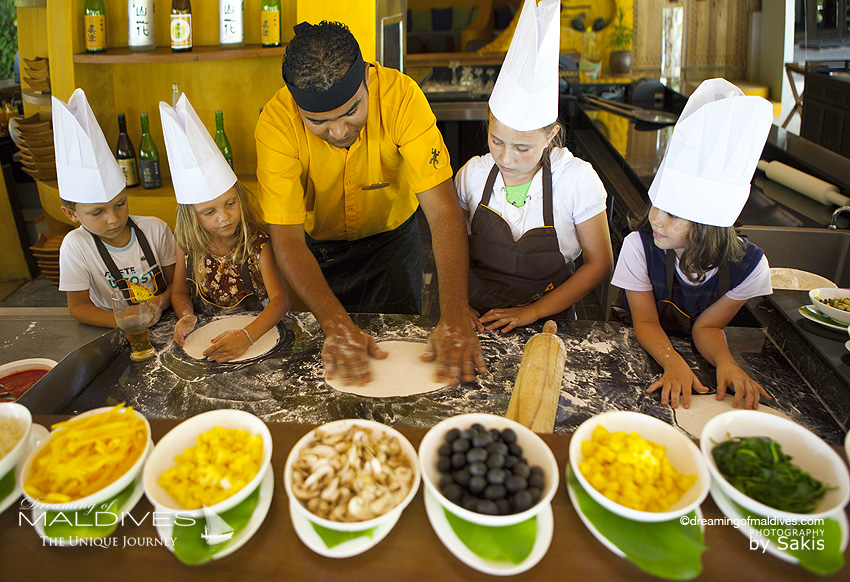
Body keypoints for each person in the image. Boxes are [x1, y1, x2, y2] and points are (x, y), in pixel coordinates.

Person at [255, 21, 484, 384]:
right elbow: (287, 239)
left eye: (351, 111)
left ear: (365, 76)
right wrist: (335, 325)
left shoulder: (401, 98)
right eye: (317, 121)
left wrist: (454, 312)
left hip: (392, 247)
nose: (338, 131)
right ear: (298, 108)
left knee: (399, 367)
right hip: (314, 256)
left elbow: (443, 213)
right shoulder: (276, 124)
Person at [611, 78, 775, 410]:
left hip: (694, 353)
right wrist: (673, 362)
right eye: (656, 205)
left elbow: (708, 326)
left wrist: (726, 364)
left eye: (672, 215)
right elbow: (645, 321)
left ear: (707, 225)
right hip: (637, 349)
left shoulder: (750, 268)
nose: (656, 220)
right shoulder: (639, 248)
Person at [455, 0, 613, 333]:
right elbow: (451, 244)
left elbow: (600, 264)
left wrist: (532, 311)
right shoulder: (473, 175)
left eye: (522, 148)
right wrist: (456, 302)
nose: (506, 158)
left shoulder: (576, 180)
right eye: (496, 141)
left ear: (551, 135)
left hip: (550, 323)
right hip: (478, 321)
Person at [160, 95, 290, 363]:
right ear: (191, 217)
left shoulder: (257, 244)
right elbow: (180, 292)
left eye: (230, 203)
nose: (224, 217)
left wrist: (247, 336)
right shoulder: (187, 244)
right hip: (210, 342)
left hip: (260, 338)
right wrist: (185, 315)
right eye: (209, 212)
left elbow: (281, 301)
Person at [55, 88, 176, 328]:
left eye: (120, 204)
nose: (113, 219)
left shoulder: (155, 229)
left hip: (166, 321)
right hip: (112, 327)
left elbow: (177, 285)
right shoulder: (76, 246)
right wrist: (125, 320)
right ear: (71, 213)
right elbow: (78, 307)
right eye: (97, 212)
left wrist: (159, 303)